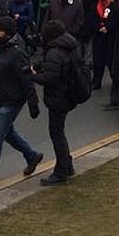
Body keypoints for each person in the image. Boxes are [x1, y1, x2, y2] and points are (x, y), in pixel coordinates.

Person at [0, 16, 43, 191]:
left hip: (11, 101)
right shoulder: (0, 48)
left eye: (0, 30)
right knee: (8, 133)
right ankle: (31, 155)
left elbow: (27, 80)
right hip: (0, 98)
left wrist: (33, 104)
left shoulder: (17, 53)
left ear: (8, 33)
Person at [32, 20, 78, 185]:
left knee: (56, 133)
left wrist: (33, 75)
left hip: (58, 96)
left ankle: (61, 171)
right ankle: (67, 164)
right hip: (68, 94)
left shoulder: (55, 52)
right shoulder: (70, 46)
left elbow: (50, 78)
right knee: (59, 131)